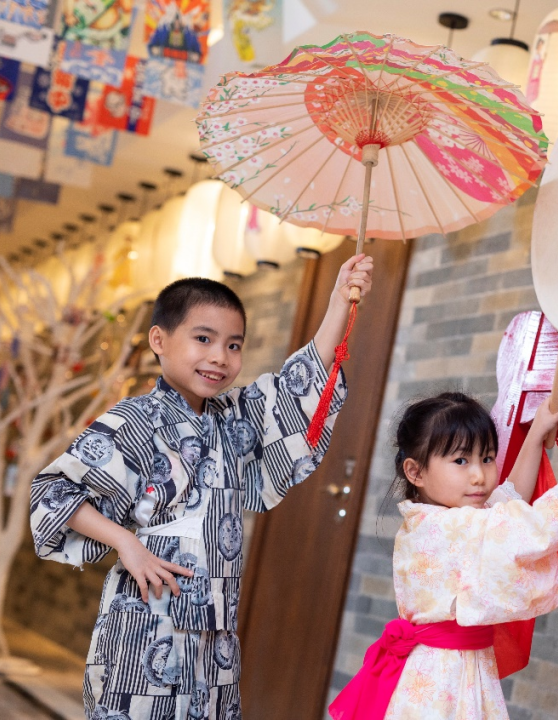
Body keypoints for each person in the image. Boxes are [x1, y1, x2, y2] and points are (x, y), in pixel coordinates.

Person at [30, 253, 373, 720]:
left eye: (234, 345)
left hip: (216, 634)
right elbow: (54, 492)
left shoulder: (235, 418)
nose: (219, 357)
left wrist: (338, 303)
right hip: (146, 622)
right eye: (203, 339)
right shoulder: (134, 419)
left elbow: (298, 385)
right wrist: (124, 542)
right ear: (160, 340)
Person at [329, 392, 558, 720]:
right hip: (444, 682)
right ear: (415, 472)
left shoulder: (431, 518)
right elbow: (536, 526)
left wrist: (533, 436)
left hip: (441, 672)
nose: (479, 475)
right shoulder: (450, 527)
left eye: (487, 458)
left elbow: (505, 502)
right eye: (461, 461)